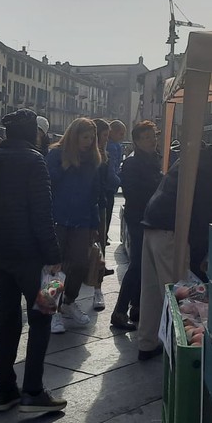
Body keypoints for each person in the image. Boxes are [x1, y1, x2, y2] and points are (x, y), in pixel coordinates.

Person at [0, 108, 66, 413]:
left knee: (8, 320)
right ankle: (34, 391)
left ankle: (5, 391)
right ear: (32, 133)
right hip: (36, 257)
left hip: (0, 253)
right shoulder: (35, 160)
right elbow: (42, 214)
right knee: (43, 317)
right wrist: (54, 256)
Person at [136, 143, 212, 361]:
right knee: (179, 294)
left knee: (151, 290)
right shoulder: (211, 171)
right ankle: (182, 352)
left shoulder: (197, 157)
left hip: (153, 221)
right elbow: (205, 215)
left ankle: (146, 343)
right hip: (172, 230)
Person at [45, 118, 102, 332]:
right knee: (54, 267)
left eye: (91, 138)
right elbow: (47, 183)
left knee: (79, 263)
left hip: (81, 221)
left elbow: (93, 194)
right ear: (74, 135)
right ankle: (50, 310)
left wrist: (94, 224)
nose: (88, 142)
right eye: (85, 137)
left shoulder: (93, 160)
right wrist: (64, 167)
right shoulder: (56, 154)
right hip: (57, 218)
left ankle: (68, 302)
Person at [110, 120, 162, 331]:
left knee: (145, 263)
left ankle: (137, 307)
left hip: (150, 218)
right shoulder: (132, 163)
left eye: (153, 136)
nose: (152, 141)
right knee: (138, 263)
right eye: (146, 138)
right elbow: (132, 193)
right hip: (138, 217)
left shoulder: (154, 159)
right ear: (137, 141)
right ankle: (119, 311)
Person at [92, 118, 119, 306]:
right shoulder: (66, 155)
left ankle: (97, 291)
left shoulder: (104, 156)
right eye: (104, 136)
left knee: (98, 250)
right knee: (61, 261)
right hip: (75, 211)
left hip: (95, 205)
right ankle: (52, 307)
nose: (106, 140)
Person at [104, 120, 126, 244]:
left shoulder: (111, 146)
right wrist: (119, 181)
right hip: (110, 186)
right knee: (108, 212)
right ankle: (104, 236)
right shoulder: (113, 147)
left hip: (109, 185)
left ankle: (105, 235)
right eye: (121, 134)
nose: (122, 137)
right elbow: (112, 168)